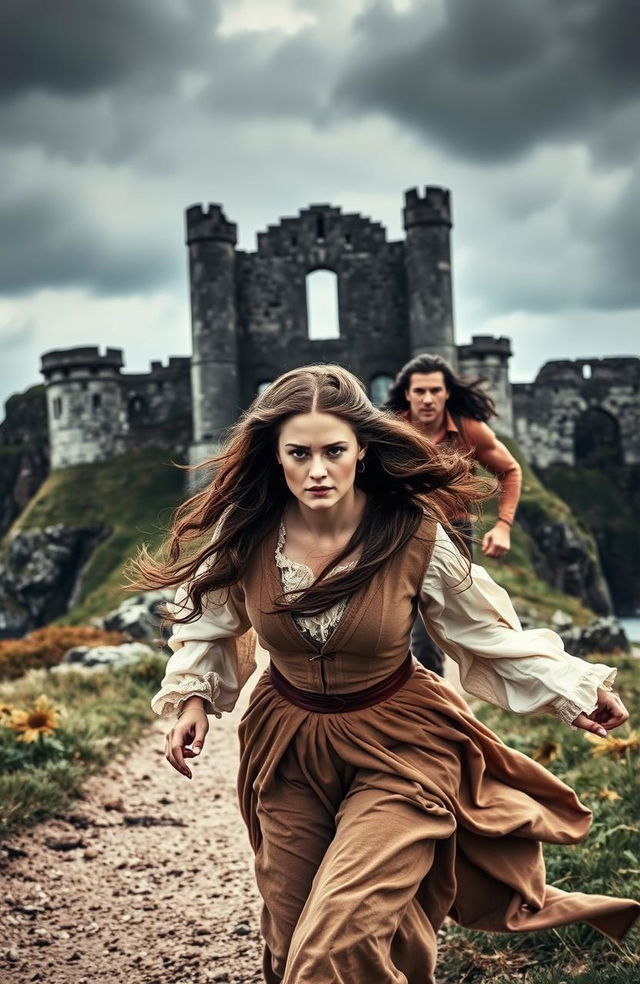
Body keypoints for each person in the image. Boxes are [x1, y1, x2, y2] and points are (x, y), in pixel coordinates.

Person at [133, 365, 638, 984]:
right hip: (286, 745)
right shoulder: (246, 539)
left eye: (333, 452)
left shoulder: (415, 534)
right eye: (299, 454)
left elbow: (485, 636)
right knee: (290, 942)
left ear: (361, 450)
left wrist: (574, 690)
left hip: (401, 744)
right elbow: (211, 624)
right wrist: (191, 699)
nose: (317, 471)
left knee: (334, 943)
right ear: (276, 456)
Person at [386, 353, 522, 676]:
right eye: (420, 391)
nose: (428, 399)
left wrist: (503, 526)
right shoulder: (392, 432)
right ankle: (429, 709)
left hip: (456, 532)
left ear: (447, 393)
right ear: (407, 394)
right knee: (416, 635)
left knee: (456, 626)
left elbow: (510, 471)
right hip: (406, 531)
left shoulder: (469, 429)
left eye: (435, 390)